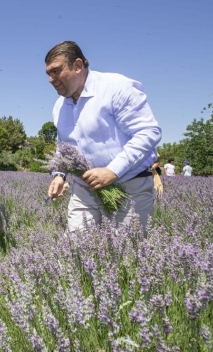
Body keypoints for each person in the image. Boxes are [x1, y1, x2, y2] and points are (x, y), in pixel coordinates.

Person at [44, 41, 161, 231]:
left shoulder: (116, 88)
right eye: (48, 73)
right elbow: (64, 146)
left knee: (129, 252)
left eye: (56, 71)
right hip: (84, 191)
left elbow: (148, 132)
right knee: (75, 250)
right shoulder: (59, 106)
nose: (51, 78)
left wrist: (112, 171)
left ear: (78, 66)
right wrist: (60, 175)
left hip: (129, 187)